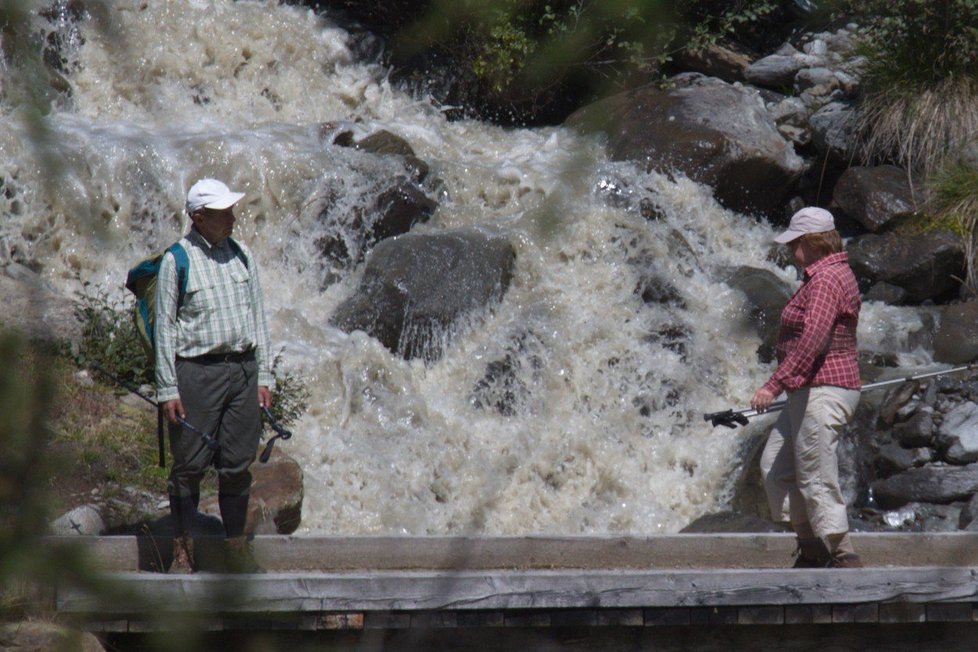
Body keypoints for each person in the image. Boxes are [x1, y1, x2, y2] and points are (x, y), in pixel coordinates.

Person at [155, 178, 273, 573]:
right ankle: (183, 549)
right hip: (197, 374)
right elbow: (165, 330)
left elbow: (259, 319)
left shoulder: (243, 256)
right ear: (199, 217)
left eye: (231, 210)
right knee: (189, 463)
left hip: (242, 372)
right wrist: (168, 387)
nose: (232, 218)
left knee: (238, 463)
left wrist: (264, 376)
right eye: (224, 213)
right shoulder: (177, 260)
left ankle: (235, 546)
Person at [750, 206, 863, 569]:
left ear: (812, 243)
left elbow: (814, 337)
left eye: (794, 244)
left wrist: (773, 384)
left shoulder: (828, 279)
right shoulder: (820, 277)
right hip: (808, 388)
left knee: (815, 471)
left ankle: (845, 555)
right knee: (775, 467)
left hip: (826, 386)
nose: (789, 252)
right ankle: (812, 550)